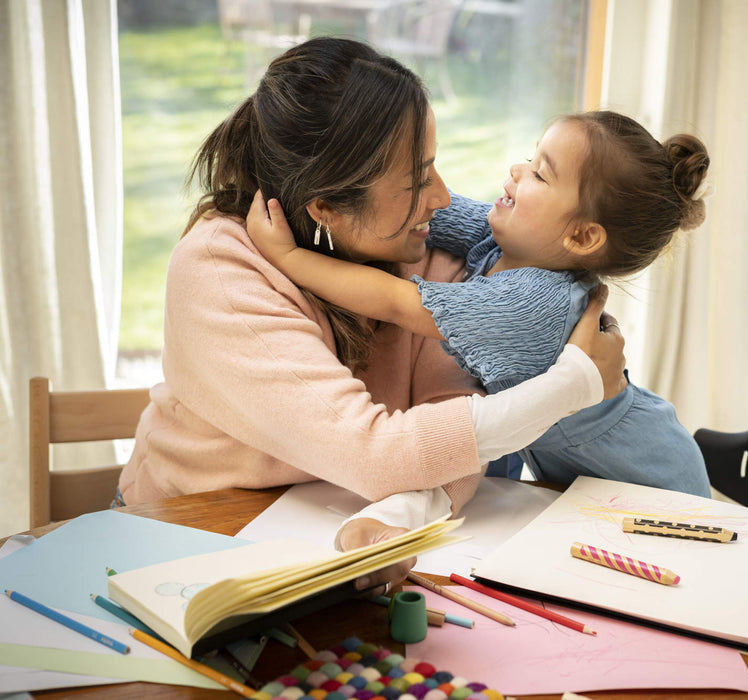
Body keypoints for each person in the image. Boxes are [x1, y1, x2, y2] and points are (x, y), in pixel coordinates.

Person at [117, 38, 627, 592]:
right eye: (416, 180)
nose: (443, 197)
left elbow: (456, 424)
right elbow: (379, 455)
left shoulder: (422, 247)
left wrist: (398, 515)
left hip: (328, 545)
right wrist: (575, 383)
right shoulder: (221, 269)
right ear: (326, 208)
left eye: (434, 166)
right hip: (185, 548)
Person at [246, 110, 712, 497]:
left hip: (656, 484)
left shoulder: (534, 306)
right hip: (584, 484)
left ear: (582, 235)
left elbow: (398, 302)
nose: (516, 170)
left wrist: (289, 256)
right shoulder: (506, 241)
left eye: (539, 174)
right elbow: (426, 209)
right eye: (530, 158)